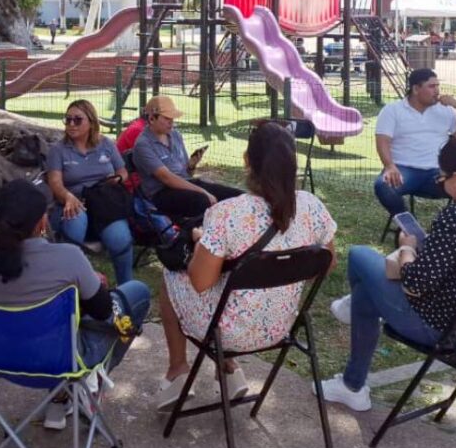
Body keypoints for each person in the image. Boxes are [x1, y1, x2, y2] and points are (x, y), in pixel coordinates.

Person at [321, 137, 456, 411]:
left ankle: (352, 370)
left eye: (442, 178)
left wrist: (407, 249)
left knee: (359, 255)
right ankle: (352, 378)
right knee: (367, 292)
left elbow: (415, 284)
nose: (441, 184)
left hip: (439, 327)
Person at [154, 122, 337, 410]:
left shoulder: (227, 214)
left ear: (247, 161)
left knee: (169, 278)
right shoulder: (312, 207)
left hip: (229, 331)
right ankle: (228, 369)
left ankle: (178, 370)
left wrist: (202, 243)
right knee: (231, 290)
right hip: (280, 326)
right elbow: (325, 265)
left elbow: (200, 282)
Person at [0, 179, 150, 384]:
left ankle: (59, 403)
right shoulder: (69, 257)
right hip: (59, 364)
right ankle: (92, 382)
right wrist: (89, 286)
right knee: (137, 292)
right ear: (42, 222)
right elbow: (103, 312)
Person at [45, 100, 136, 286]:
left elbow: (123, 172)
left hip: (103, 201)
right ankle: (75, 285)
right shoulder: (58, 150)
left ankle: (126, 288)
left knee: (121, 240)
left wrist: (116, 180)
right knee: (74, 223)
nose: (71, 124)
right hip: (75, 201)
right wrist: (67, 196)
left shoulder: (106, 144)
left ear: (91, 122)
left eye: (77, 120)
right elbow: (55, 183)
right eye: (68, 119)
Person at [373, 68, 456, 217]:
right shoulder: (393, 110)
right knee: (383, 186)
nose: (437, 91)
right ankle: (407, 226)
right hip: (403, 169)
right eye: (432, 86)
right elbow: (383, 141)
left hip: (438, 172)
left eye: (438, 86)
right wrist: (389, 166)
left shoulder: (446, 110)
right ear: (415, 89)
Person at [132, 95, 243, 219]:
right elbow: (167, 178)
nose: (172, 122)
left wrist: (191, 165)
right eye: (167, 118)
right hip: (161, 193)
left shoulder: (175, 135)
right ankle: (197, 234)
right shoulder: (143, 145)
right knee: (203, 201)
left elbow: (186, 174)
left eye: (173, 118)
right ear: (152, 119)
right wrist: (203, 191)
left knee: (238, 196)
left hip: (185, 184)